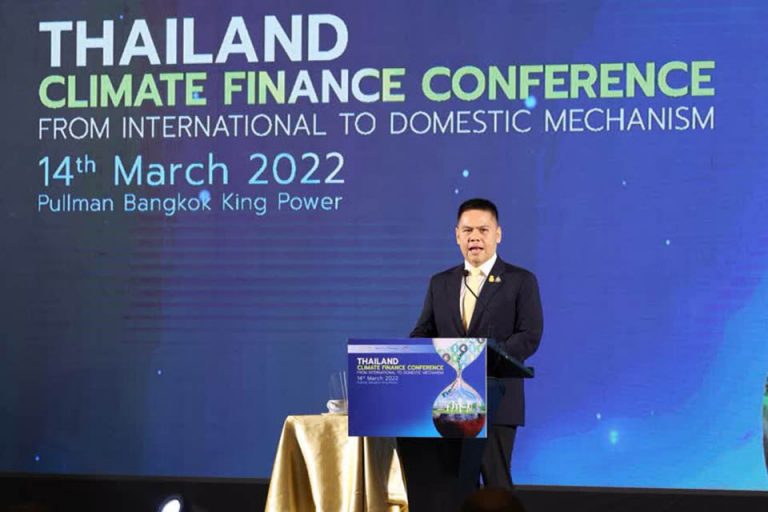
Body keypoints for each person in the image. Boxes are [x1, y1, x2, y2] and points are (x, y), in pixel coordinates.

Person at [397, 198, 543, 510]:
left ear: (498, 234)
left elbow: (529, 336)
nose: (475, 237)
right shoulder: (441, 283)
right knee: (451, 486)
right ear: (457, 235)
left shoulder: (520, 281)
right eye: (467, 230)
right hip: (446, 405)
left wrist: (481, 358)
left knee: (496, 486)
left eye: (483, 230)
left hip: (496, 398)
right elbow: (422, 332)